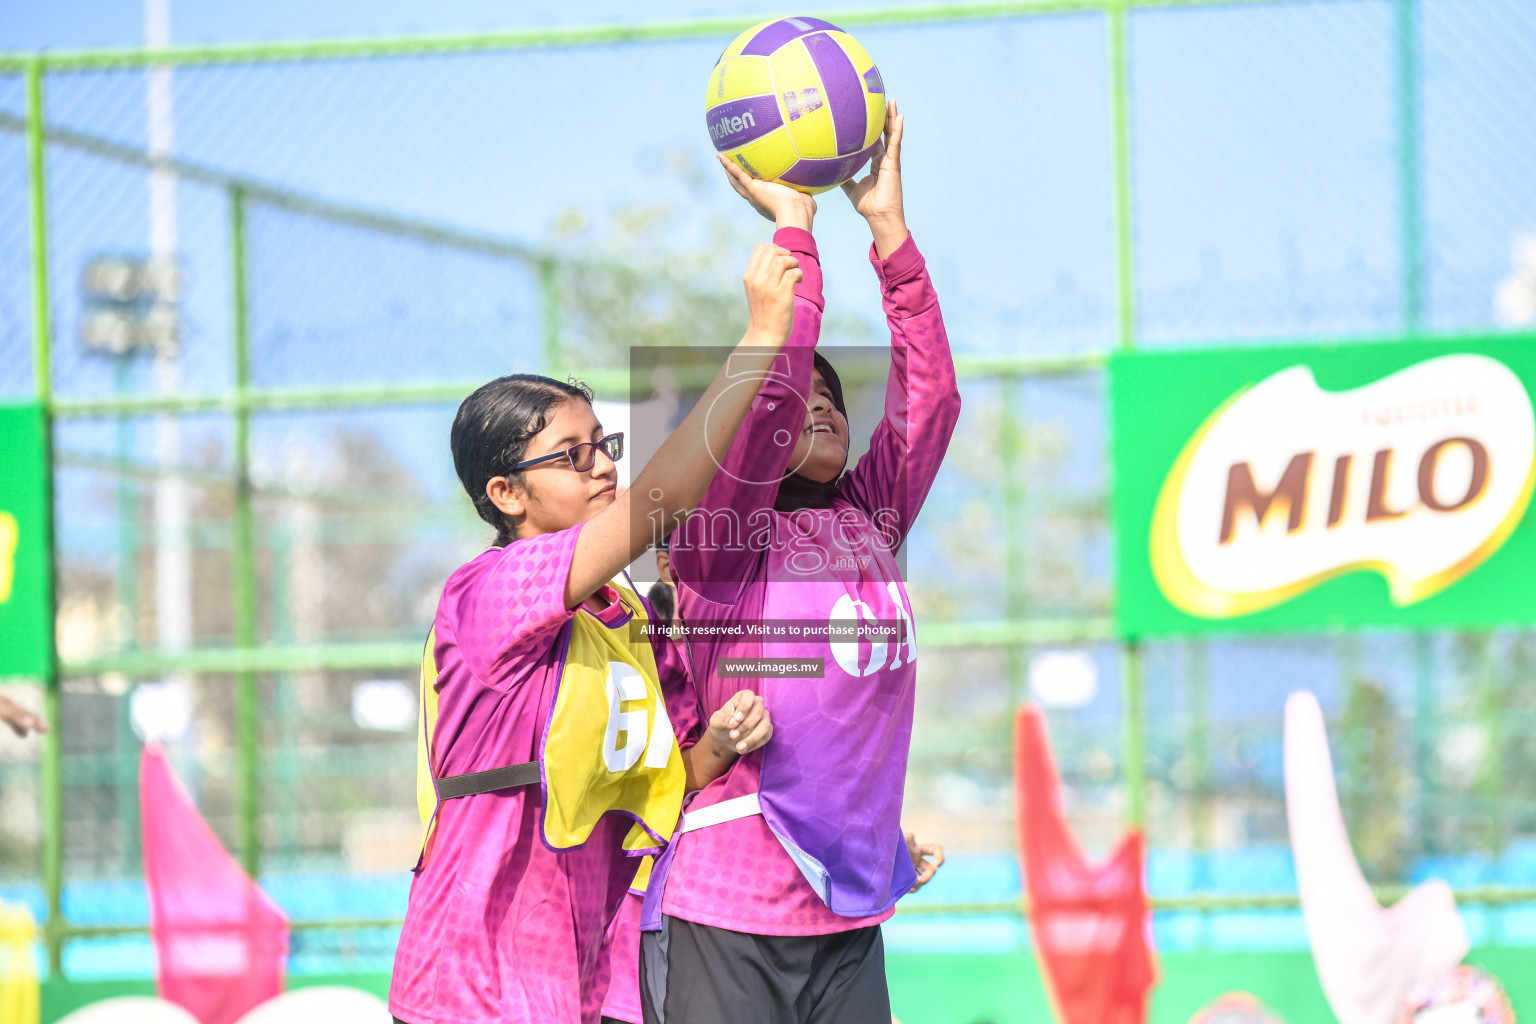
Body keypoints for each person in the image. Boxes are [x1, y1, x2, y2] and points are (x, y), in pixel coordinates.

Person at [388, 242, 802, 1024]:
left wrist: (721, 739)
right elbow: (655, 506)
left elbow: (673, 775)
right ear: (505, 492)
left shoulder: (630, 616)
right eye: (572, 456)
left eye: (603, 446)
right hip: (472, 986)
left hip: (581, 986)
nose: (603, 467)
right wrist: (762, 337)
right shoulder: (488, 594)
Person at [641, 99, 962, 1024]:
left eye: (834, 395)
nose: (818, 403)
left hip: (845, 908)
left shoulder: (869, 517)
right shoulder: (716, 543)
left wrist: (890, 233)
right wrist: (795, 228)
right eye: (801, 394)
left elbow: (929, 398)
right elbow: (774, 385)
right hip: (729, 909)